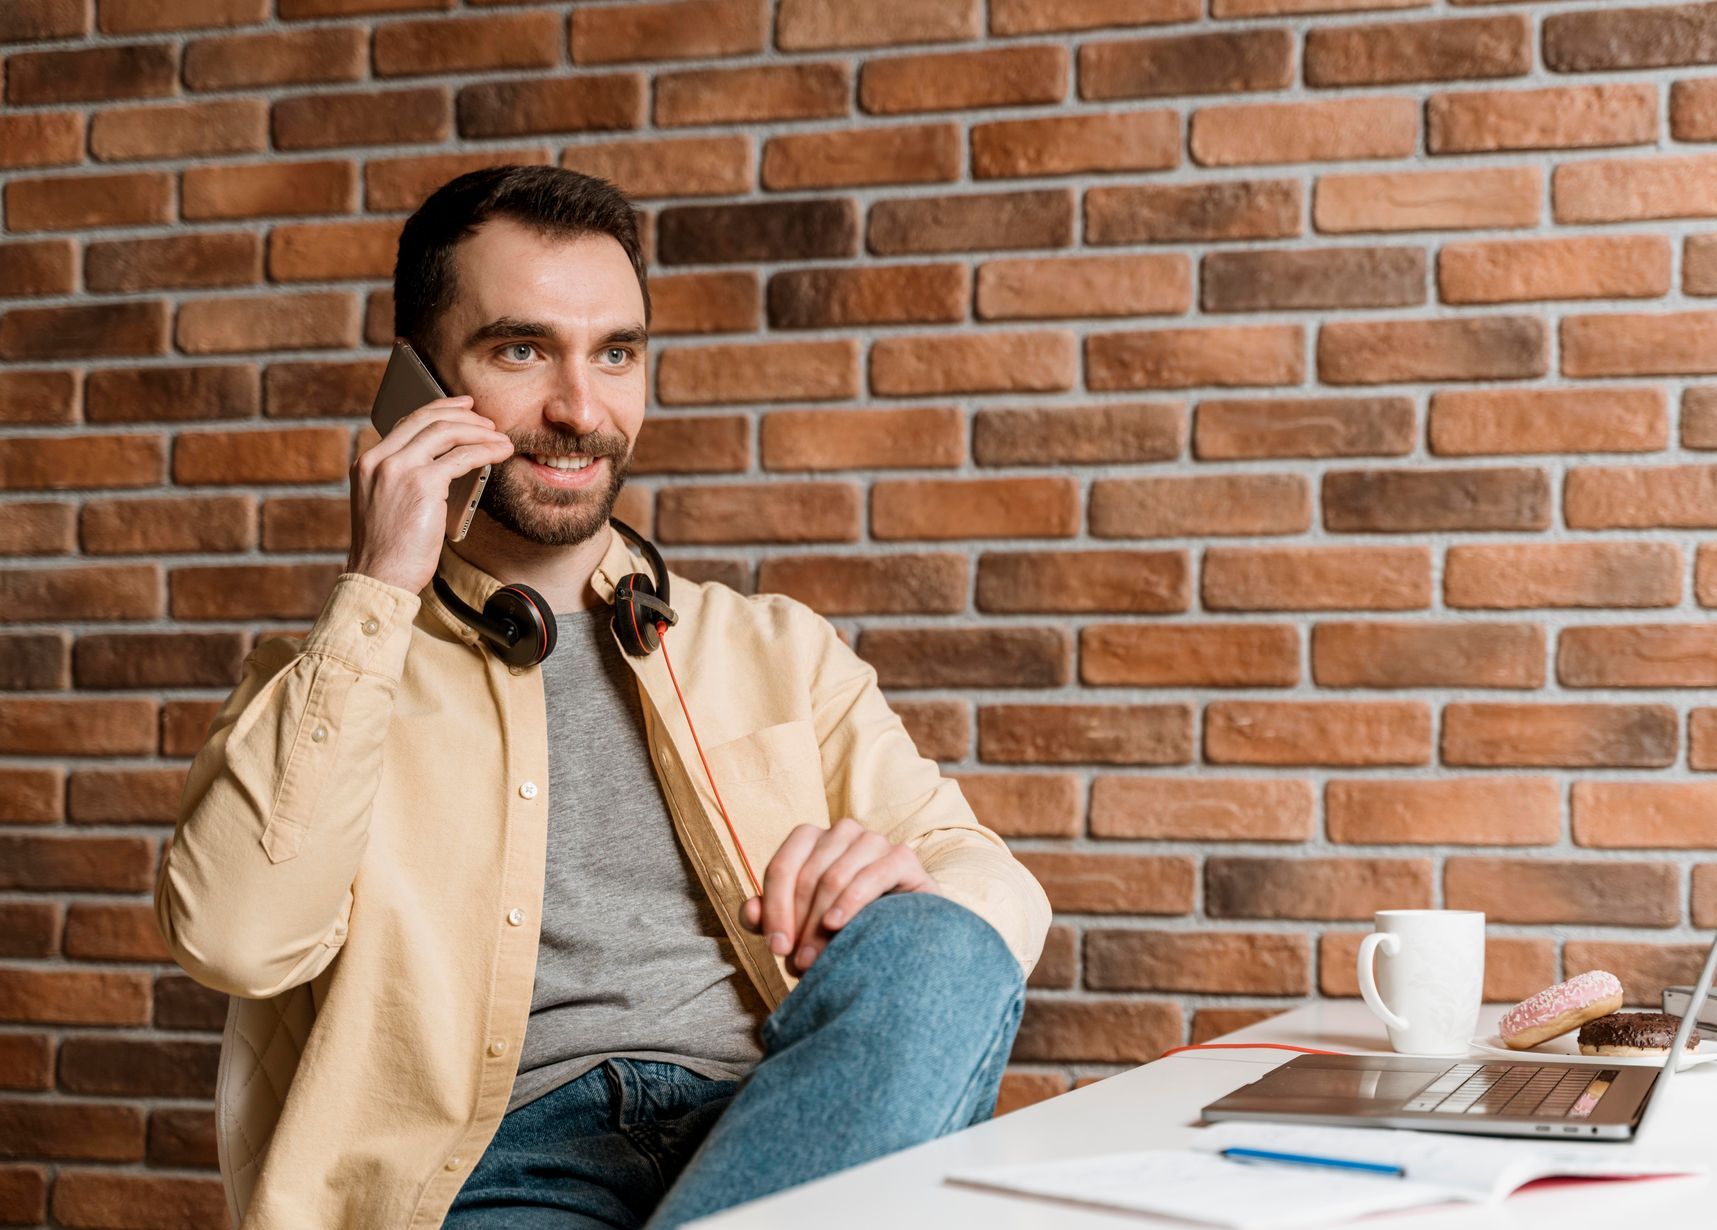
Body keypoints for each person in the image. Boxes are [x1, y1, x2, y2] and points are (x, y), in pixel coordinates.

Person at [153, 164, 1051, 1230]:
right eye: (522, 350)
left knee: (941, 942)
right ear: (416, 384)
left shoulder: (771, 647)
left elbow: (1000, 896)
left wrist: (894, 883)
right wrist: (378, 588)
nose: (582, 411)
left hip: (777, 1121)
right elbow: (232, 939)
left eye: (615, 353)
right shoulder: (328, 686)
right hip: (505, 1174)